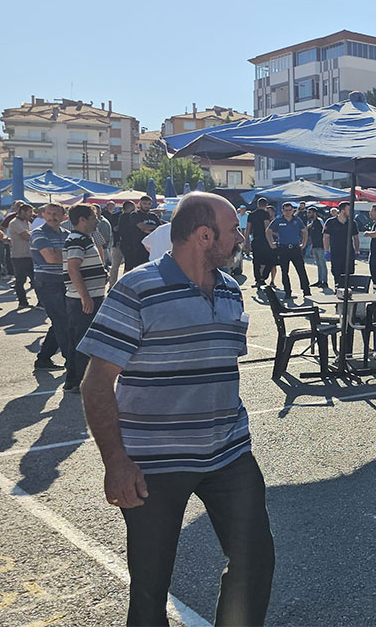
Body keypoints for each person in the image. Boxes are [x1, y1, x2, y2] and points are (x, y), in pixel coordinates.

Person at [77, 192, 275, 626]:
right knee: (150, 587)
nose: (241, 238)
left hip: (229, 455)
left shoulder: (230, 289)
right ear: (205, 236)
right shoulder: (138, 289)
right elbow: (95, 384)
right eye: (234, 230)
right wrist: (116, 462)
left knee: (255, 563)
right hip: (153, 464)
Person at [62, 204, 108, 392]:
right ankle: (81, 381)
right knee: (84, 340)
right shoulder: (76, 240)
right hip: (83, 300)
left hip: (85, 298)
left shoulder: (83, 239)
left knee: (80, 339)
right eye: (93, 217)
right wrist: (85, 297)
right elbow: (73, 269)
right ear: (82, 220)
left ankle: (75, 379)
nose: (97, 220)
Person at [31, 202, 72, 371]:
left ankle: (44, 358)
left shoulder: (67, 234)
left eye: (56, 213)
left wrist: (64, 253)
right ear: (43, 215)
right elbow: (51, 258)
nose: (52, 216)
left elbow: (64, 255)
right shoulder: (38, 233)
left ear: (64, 217)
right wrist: (72, 253)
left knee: (62, 321)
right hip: (48, 283)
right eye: (49, 213)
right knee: (62, 321)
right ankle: (71, 361)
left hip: (65, 282)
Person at [267, 201, 311, 299]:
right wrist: (271, 243)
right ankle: (287, 291)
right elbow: (268, 231)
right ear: (282, 211)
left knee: (301, 270)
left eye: (289, 210)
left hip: (295, 248)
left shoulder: (297, 220)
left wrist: (304, 243)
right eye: (285, 210)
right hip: (283, 249)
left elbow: (304, 231)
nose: (287, 212)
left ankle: (306, 290)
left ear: (293, 210)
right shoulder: (278, 220)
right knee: (284, 271)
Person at [119, 196, 161, 272]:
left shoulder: (153, 216)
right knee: (135, 271)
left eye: (149, 204)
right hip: (137, 248)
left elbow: (159, 228)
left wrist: (149, 229)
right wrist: (152, 228)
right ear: (140, 203)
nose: (146, 205)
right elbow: (141, 226)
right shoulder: (134, 215)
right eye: (144, 203)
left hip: (151, 249)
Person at [324, 200, 360, 287]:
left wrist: (357, 251)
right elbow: (326, 237)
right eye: (349, 209)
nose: (351, 212)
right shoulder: (330, 222)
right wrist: (327, 251)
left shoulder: (352, 223)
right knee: (337, 276)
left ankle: (348, 294)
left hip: (349, 254)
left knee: (349, 276)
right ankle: (338, 293)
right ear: (342, 210)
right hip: (336, 254)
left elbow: (356, 238)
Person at [8, 203, 34, 309]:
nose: (31, 214)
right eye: (29, 212)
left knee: (35, 279)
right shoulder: (14, 223)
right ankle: (22, 301)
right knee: (21, 280)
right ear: (22, 211)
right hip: (19, 256)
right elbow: (26, 236)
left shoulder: (27, 222)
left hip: (29, 255)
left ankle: (41, 302)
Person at [246, 199, 276, 288]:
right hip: (264, 240)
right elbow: (267, 228)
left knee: (256, 261)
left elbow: (248, 229)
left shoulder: (251, 214)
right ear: (266, 205)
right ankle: (263, 277)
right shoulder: (265, 214)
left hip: (255, 240)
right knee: (271, 259)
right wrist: (270, 241)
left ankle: (258, 279)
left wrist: (246, 241)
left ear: (258, 204)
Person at [304, 207, 328, 288]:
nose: (308, 214)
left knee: (322, 264)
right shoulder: (312, 222)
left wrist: (326, 246)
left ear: (314, 213)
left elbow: (325, 233)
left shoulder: (319, 221)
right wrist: (311, 247)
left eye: (309, 212)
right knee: (318, 264)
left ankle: (325, 281)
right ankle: (319, 280)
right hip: (314, 246)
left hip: (321, 246)